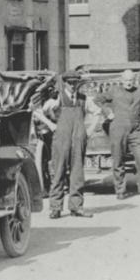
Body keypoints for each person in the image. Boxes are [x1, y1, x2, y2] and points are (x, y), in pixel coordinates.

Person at [94, 69, 140, 200]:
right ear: (121, 80)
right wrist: (107, 111)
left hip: (136, 130)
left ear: (134, 80)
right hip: (117, 129)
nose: (128, 83)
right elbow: (97, 100)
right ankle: (120, 190)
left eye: (131, 80)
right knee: (118, 160)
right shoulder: (114, 91)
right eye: (126, 80)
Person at [47, 71, 93, 219]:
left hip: (78, 139)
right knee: (58, 171)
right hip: (61, 138)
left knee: (77, 172)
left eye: (75, 83)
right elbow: (38, 111)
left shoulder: (84, 99)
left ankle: (76, 207)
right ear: (65, 83)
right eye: (70, 83)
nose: (72, 86)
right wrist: (51, 125)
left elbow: (98, 112)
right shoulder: (58, 98)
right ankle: (55, 208)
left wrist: (89, 130)